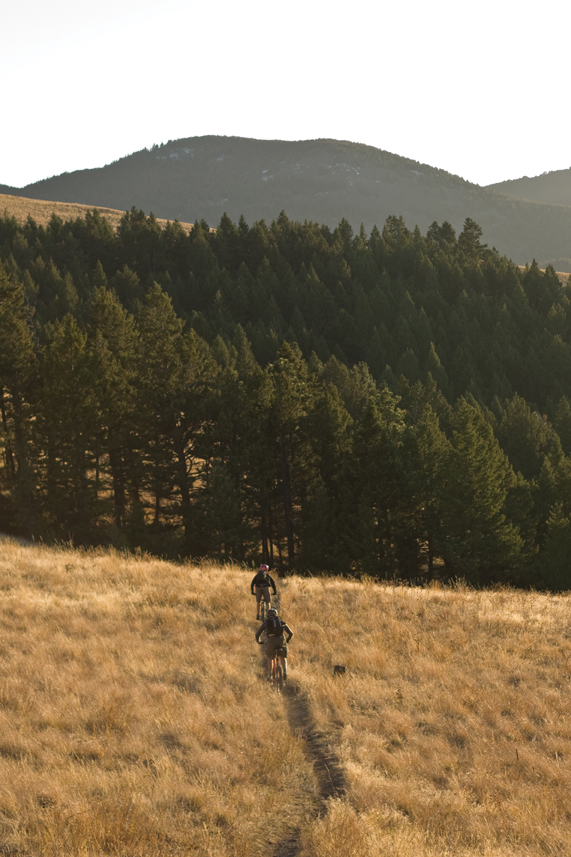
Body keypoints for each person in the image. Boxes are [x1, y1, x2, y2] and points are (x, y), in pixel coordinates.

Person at [255, 607, 293, 681]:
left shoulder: (267, 622)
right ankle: (285, 671)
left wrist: (259, 641)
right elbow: (291, 633)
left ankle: (269, 675)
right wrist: (287, 640)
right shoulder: (281, 622)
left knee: (270, 657)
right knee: (282, 657)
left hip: (271, 640)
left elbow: (257, 634)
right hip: (281, 640)